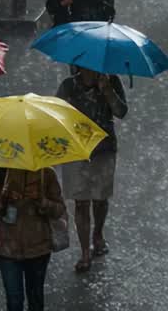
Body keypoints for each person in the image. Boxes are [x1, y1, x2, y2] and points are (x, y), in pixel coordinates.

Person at [56, 66, 128, 274]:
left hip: (103, 150)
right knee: (81, 201)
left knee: (100, 198)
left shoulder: (111, 80)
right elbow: (56, 113)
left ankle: (98, 234)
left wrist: (106, 90)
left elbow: (121, 111)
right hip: (76, 151)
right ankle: (85, 251)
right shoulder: (69, 85)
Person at [0, 167, 65, 311]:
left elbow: (59, 209)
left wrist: (41, 201)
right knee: (14, 300)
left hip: (38, 248)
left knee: (36, 300)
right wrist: (3, 199)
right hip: (7, 248)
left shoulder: (46, 173)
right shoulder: (1, 172)